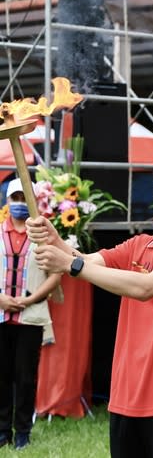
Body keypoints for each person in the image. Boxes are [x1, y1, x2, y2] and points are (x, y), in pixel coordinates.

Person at [26, 150, 153, 458]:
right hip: (125, 396)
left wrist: (70, 264)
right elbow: (84, 261)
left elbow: (146, 287)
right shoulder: (140, 245)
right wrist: (55, 241)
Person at [0, 178, 61, 450]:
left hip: (31, 316)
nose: (20, 205)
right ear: (7, 201)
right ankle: (2, 431)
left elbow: (57, 273)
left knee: (25, 377)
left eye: (25, 199)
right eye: (16, 199)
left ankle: (23, 431)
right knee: (0, 376)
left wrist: (31, 299)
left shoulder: (45, 235)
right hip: (1, 315)